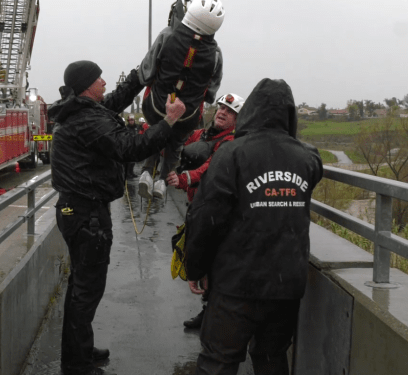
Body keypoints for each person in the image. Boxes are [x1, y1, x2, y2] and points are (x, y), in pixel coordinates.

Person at [49, 60, 186, 375]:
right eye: (99, 79)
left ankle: (79, 351)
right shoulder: (87, 120)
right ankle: (78, 366)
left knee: (81, 287)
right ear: (86, 85)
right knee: (87, 290)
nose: (105, 83)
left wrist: (142, 73)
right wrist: (170, 120)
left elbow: (116, 100)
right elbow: (133, 147)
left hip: (79, 211)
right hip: (87, 216)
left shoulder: (82, 110)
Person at [184, 78, 323, 375]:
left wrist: (194, 268)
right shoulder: (308, 157)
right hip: (286, 284)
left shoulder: (231, 154)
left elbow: (207, 218)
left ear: (250, 112)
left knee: (219, 360)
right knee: (271, 357)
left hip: (237, 282)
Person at [166, 92, 244, 329]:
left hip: (217, 212)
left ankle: (214, 317)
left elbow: (211, 168)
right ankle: (209, 312)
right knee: (203, 261)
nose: (222, 112)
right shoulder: (205, 135)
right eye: (221, 107)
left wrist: (185, 178)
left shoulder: (230, 142)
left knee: (213, 265)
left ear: (238, 119)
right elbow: (182, 141)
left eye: (230, 111)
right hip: (199, 207)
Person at [136, 0, 226, 200]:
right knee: (175, 142)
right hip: (188, 115)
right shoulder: (216, 53)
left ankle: (147, 171)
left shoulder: (167, 35)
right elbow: (212, 89)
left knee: (155, 130)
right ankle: (163, 181)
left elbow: (147, 71)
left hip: (157, 107)